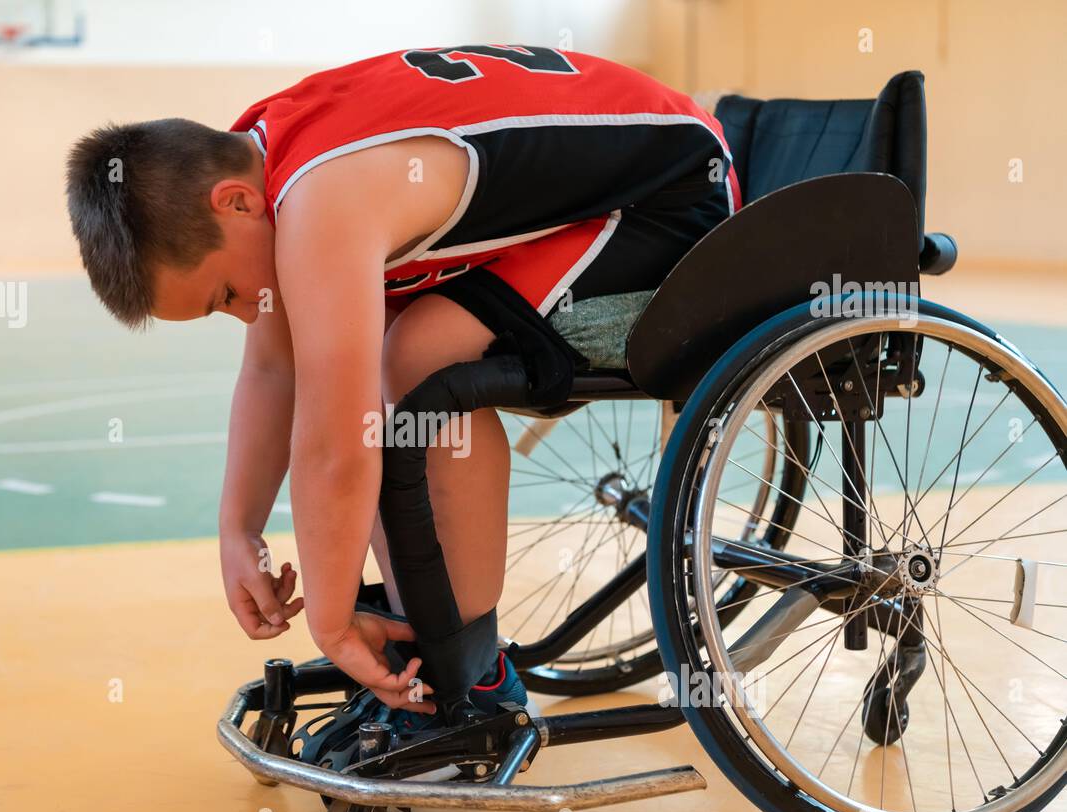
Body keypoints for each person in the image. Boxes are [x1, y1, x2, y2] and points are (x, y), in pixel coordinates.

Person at [65, 44, 738, 726]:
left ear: (234, 203)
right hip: (620, 180)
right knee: (390, 342)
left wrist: (330, 622)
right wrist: (238, 530)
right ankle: (422, 629)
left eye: (227, 295)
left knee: (420, 356)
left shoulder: (320, 197)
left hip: (672, 203)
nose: (246, 312)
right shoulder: (264, 157)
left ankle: (472, 675)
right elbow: (274, 367)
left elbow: (336, 445)